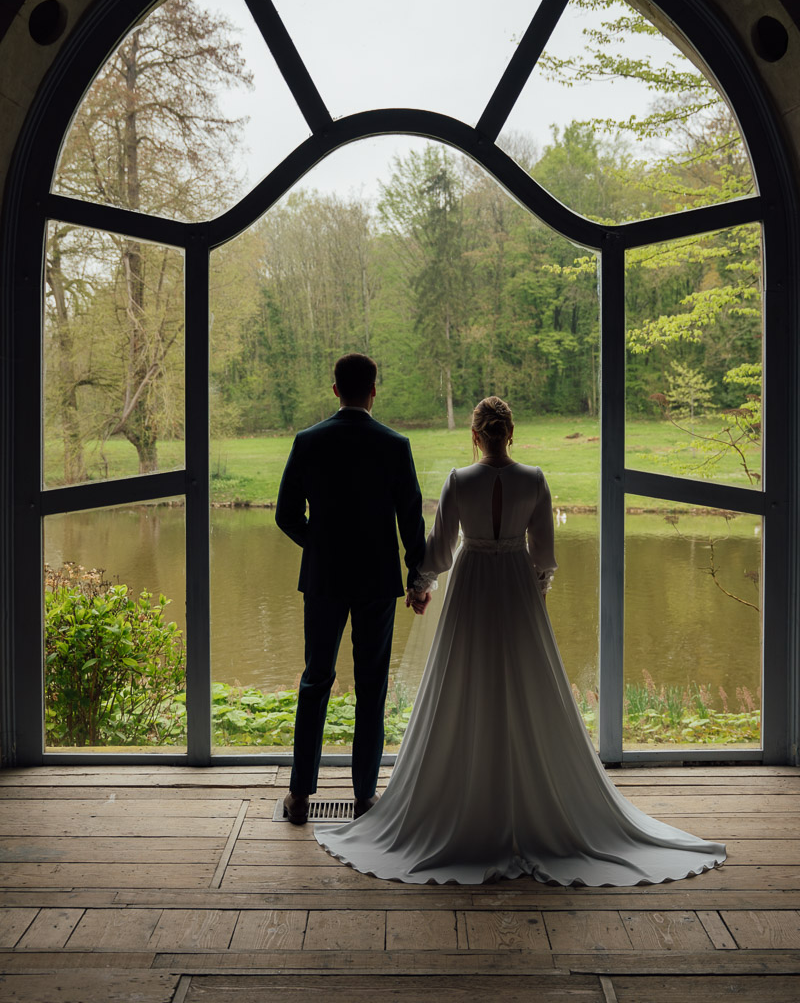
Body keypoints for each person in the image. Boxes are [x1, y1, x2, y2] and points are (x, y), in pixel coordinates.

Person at [316, 396, 727, 886]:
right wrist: (535, 595)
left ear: (475, 435)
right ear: (510, 434)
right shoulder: (534, 480)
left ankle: (470, 799)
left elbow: (442, 551)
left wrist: (419, 586)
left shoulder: (457, 481)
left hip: (471, 588)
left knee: (464, 681)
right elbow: (545, 557)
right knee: (527, 685)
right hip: (515, 588)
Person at [275, 353, 428, 825]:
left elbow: (285, 515)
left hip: (323, 579)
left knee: (315, 680)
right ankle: (364, 797)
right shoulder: (395, 445)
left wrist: (318, 544)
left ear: (336, 390)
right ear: (374, 390)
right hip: (377, 582)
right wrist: (415, 576)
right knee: (371, 687)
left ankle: (300, 796)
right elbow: (412, 522)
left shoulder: (308, 441)